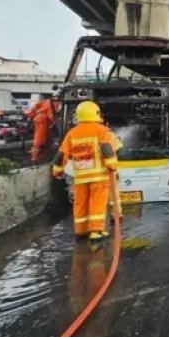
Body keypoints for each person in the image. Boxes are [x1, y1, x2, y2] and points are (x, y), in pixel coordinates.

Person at [52, 101, 119, 241]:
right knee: (97, 202)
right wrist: (112, 165)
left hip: (80, 177)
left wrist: (57, 170)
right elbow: (107, 149)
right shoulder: (101, 130)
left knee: (80, 203)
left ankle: (81, 229)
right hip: (99, 177)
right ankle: (96, 231)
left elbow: (61, 155)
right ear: (96, 113)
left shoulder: (72, 133)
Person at [29, 98, 56, 163]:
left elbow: (34, 108)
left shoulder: (47, 101)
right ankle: (35, 158)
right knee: (40, 142)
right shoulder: (54, 103)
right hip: (43, 122)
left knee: (47, 142)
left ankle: (43, 157)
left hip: (41, 121)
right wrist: (53, 122)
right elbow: (52, 116)